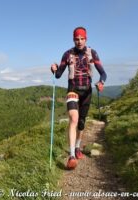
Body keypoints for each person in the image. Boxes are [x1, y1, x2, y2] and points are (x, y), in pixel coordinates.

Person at [51, 27, 107, 170]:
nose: (79, 41)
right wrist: (54, 68)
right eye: (77, 39)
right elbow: (58, 75)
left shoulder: (92, 53)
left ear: (86, 39)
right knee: (74, 119)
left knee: (81, 122)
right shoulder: (67, 54)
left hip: (87, 92)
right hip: (73, 91)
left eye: (82, 38)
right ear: (73, 39)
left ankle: (77, 147)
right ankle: (71, 156)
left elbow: (103, 73)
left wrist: (101, 82)